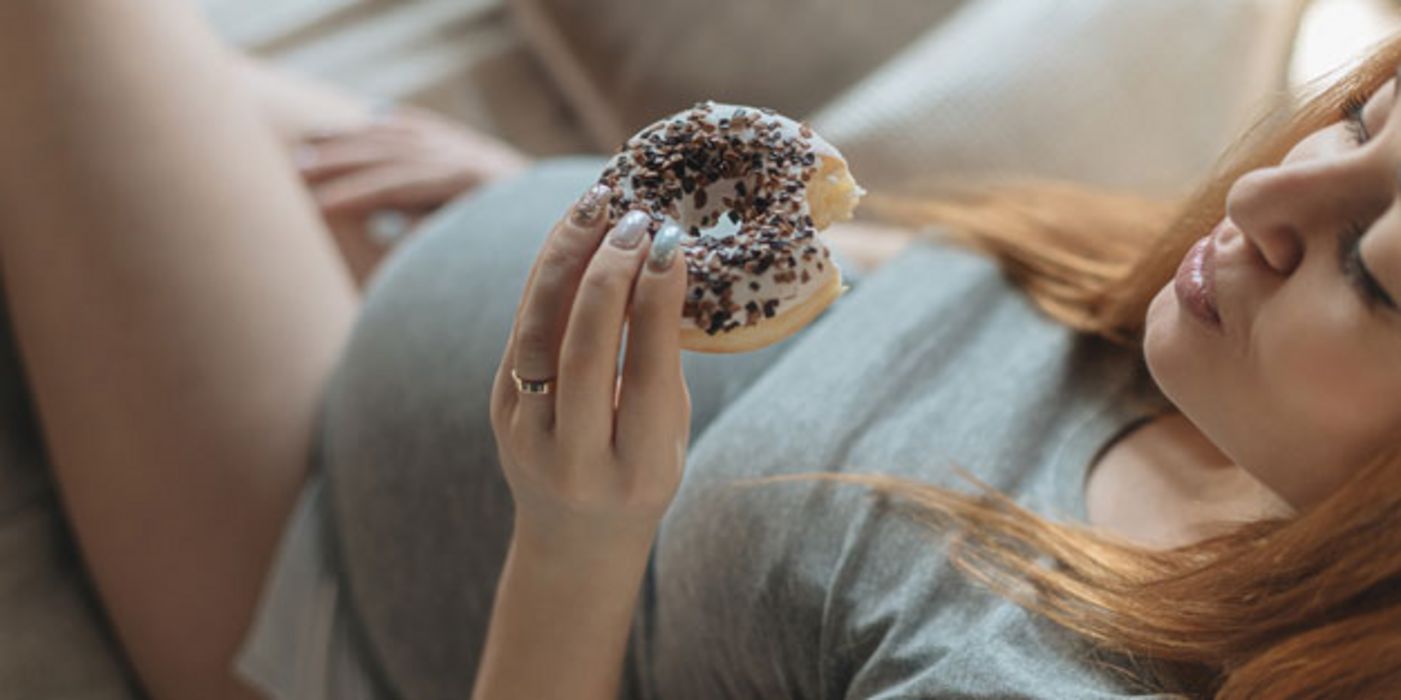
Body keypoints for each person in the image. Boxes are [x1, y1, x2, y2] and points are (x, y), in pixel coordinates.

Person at [0, 1, 1398, 699]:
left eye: (1371, 275)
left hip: (310, 571)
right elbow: (891, 297)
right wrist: (545, 196)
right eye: (1357, 123)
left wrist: (568, 533)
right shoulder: (1209, 347)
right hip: (439, 238)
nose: (1263, 199)